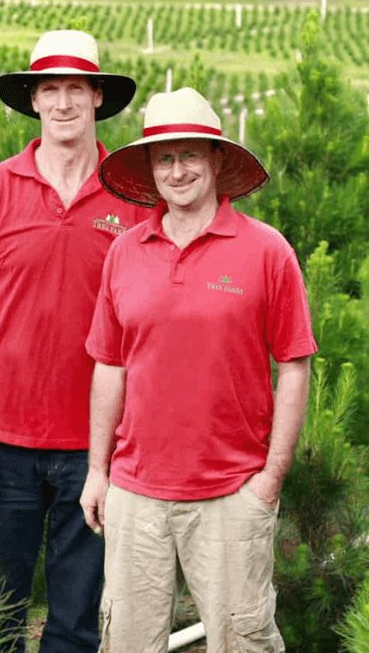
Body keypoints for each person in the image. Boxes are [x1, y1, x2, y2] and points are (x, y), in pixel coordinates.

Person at [0, 29, 151, 653]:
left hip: (97, 449)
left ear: (97, 97)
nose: (61, 102)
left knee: (77, 624)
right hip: (2, 448)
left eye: (74, 88)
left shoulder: (134, 200)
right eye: (48, 89)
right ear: (32, 100)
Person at [81, 87, 317, 652]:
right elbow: (108, 367)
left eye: (190, 154)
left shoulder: (267, 251)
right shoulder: (126, 252)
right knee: (128, 642)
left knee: (242, 642)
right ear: (150, 168)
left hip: (232, 493)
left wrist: (270, 479)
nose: (178, 169)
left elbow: (294, 365)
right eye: (164, 157)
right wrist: (98, 472)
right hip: (137, 493)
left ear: (216, 160)